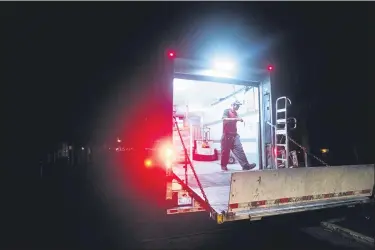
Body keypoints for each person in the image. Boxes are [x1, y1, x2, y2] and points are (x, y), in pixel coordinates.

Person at [221, 100, 256, 171]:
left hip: (234, 135)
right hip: (227, 135)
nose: (238, 107)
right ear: (233, 105)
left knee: (240, 150)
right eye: (237, 105)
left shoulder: (236, 113)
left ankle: (246, 166)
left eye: (239, 106)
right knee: (226, 152)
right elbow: (224, 119)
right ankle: (223, 166)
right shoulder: (227, 111)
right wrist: (236, 119)